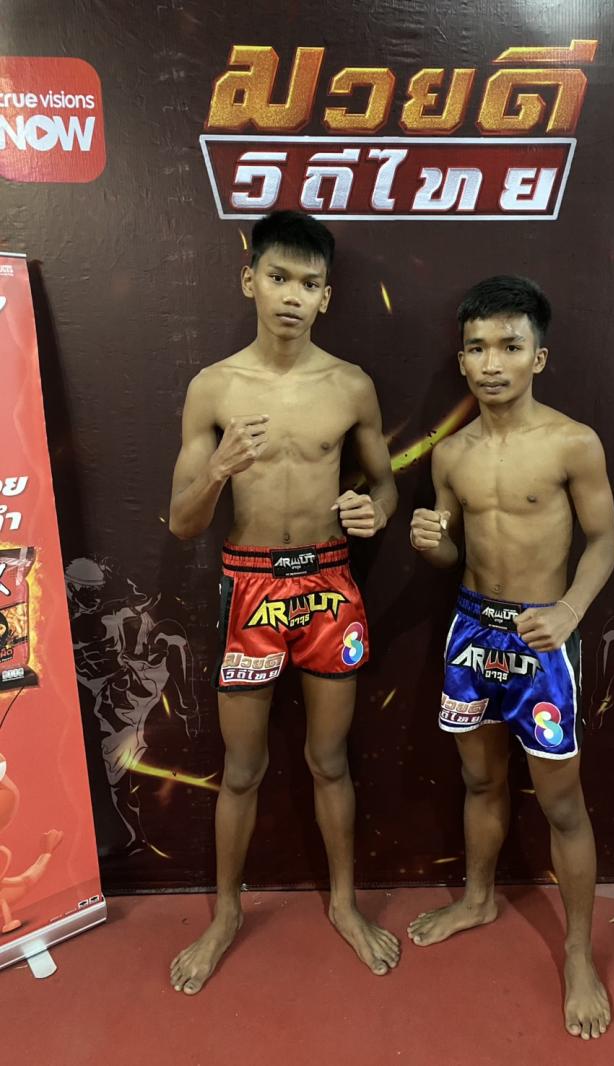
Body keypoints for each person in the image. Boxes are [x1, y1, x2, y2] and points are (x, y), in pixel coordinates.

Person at [168, 211, 399, 994]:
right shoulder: (214, 388)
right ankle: (226, 915)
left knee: (330, 759)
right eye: (278, 278)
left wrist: (376, 512)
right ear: (250, 282)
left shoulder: (352, 385)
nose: (293, 295)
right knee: (242, 768)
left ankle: (344, 904)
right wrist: (218, 470)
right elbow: (182, 523)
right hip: (251, 586)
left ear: (326, 295)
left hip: (330, 584)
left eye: (309, 283)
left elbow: (385, 484)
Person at [409, 275, 614, 1040]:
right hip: (472, 634)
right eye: (477, 347)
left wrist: (568, 611)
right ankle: (478, 899)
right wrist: (433, 546)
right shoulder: (451, 454)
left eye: (509, 345)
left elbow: (606, 541)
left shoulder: (572, 442)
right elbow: (451, 549)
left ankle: (578, 954)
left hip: (542, 643)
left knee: (563, 804)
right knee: (479, 779)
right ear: (462, 358)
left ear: (539, 356)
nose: (491, 362)